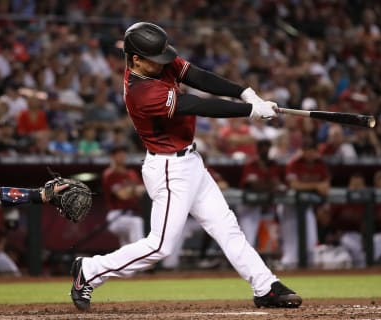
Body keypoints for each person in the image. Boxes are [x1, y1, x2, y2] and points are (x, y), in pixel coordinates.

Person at [69, 22, 302, 311]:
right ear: (136, 59)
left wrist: (245, 92)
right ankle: (89, 270)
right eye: (155, 59)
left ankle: (266, 286)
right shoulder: (141, 91)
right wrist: (250, 111)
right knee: (160, 246)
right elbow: (194, 104)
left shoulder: (156, 62)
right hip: (168, 169)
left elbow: (198, 77)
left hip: (191, 162)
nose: (164, 63)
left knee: (227, 227)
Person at [277, 138, 331, 270]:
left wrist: (316, 187)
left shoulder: (320, 164)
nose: (310, 154)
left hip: (306, 207)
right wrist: (315, 185)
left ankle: (307, 268)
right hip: (289, 206)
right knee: (291, 242)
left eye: (313, 151)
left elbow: (325, 187)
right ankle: (288, 265)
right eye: (307, 151)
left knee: (311, 238)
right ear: (303, 151)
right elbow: (294, 185)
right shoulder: (294, 163)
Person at [237, 139, 282, 247]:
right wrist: (270, 185)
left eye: (267, 148)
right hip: (249, 207)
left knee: (269, 243)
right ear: (258, 150)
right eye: (262, 148)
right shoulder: (251, 165)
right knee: (248, 240)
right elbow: (254, 185)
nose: (265, 150)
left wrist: (269, 185)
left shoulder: (273, 164)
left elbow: (277, 184)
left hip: (267, 206)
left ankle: (266, 261)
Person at [102, 145, 145, 247]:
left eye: (123, 153)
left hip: (133, 213)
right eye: (118, 154)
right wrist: (135, 190)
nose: (122, 156)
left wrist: (131, 190)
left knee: (126, 247)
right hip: (117, 216)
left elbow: (143, 190)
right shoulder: (110, 174)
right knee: (136, 223)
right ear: (112, 157)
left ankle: (129, 262)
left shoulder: (132, 173)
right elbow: (122, 195)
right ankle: (141, 256)